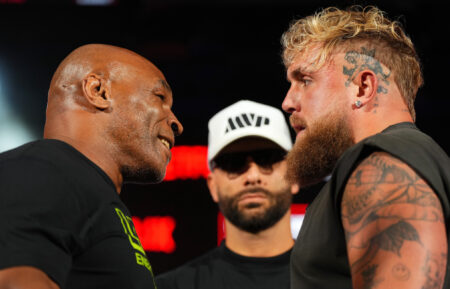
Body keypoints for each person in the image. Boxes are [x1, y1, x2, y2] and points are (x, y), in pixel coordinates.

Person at [280, 5, 450, 289]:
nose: (288, 102)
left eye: (306, 80)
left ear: (362, 87)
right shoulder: (416, 159)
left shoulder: (379, 167)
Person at [0, 44, 183, 289]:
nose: (176, 123)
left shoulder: (87, 190)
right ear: (98, 91)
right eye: (160, 98)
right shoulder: (43, 168)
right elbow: (13, 282)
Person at [156, 100, 299, 289]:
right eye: (234, 163)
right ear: (213, 186)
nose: (253, 176)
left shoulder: (339, 278)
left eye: (267, 160)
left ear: (295, 176)